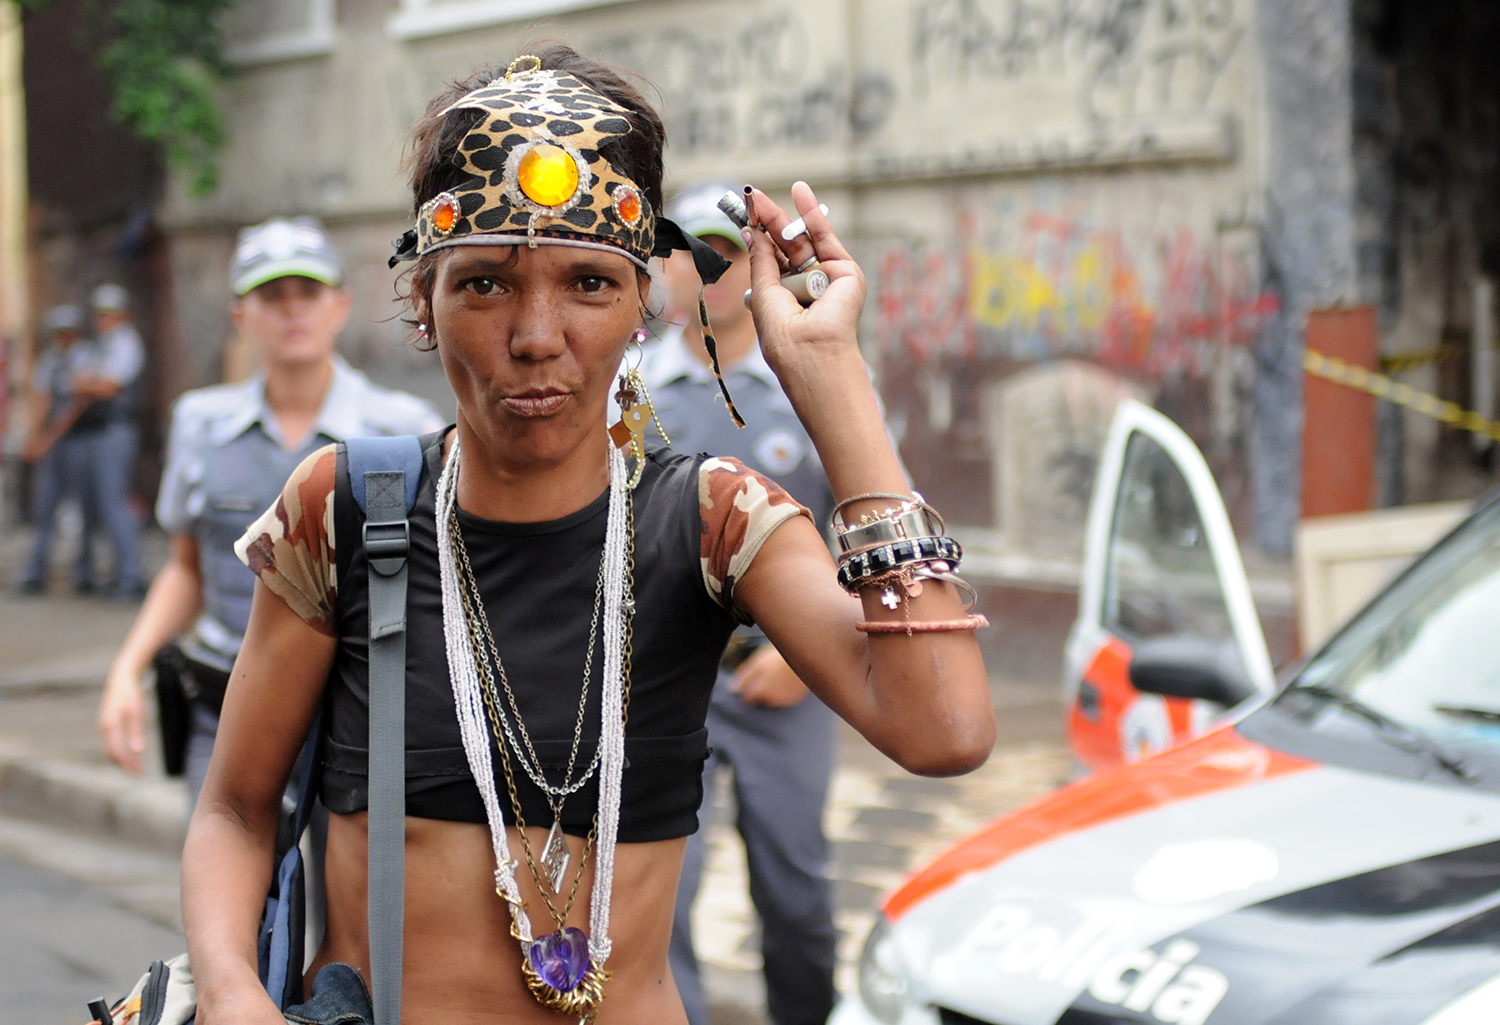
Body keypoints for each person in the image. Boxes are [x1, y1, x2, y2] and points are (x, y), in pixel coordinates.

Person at [182, 46, 993, 1025]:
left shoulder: (713, 523)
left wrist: (834, 384)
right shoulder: (346, 509)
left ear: (641, 306)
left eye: (589, 284)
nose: (536, 334)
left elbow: (945, 730)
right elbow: (234, 804)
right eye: (484, 283)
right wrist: (231, 988)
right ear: (425, 302)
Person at [96, 217, 444, 808]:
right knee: (225, 889)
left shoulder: (399, 430)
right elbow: (188, 566)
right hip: (225, 703)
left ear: (340, 304)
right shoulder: (201, 424)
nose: (292, 311)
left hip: (353, 711)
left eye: (307, 292)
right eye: (271, 295)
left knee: (353, 900)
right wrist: (127, 669)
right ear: (240, 315)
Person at [653, 183, 839, 1025]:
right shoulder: (626, 390)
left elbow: (869, 523)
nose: (715, 268)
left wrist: (811, 650)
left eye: (732, 251)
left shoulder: (810, 374)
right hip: (657, 681)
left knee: (795, 893)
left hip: (784, 674)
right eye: (697, 250)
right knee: (658, 897)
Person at [76, 282, 147, 599]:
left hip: (115, 429)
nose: (103, 319)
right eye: (100, 314)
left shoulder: (125, 343)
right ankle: (116, 574)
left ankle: (132, 577)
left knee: (115, 504)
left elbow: (108, 385)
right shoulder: (99, 346)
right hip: (95, 431)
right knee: (97, 508)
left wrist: (88, 384)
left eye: (109, 314)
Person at [17, 304, 95, 595]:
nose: (64, 339)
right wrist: (34, 435)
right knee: (45, 506)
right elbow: (42, 400)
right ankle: (36, 571)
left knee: (85, 507)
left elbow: (76, 407)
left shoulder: (86, 358)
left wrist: (47, 437)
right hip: (54, 442)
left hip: (80, 439)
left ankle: (84, 573)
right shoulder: (49, 361)